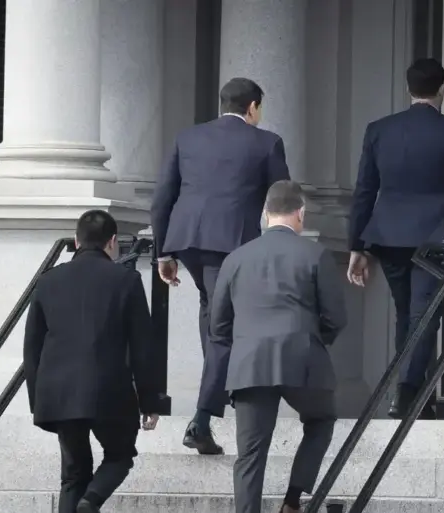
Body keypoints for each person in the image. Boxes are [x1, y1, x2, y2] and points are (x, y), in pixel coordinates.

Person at [150, 77, 290, 454]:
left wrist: (163, 252)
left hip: (188, 242)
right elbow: (282, 200)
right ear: (254, 107)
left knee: (213, 313)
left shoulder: (188, 137)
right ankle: (202, 416)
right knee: (224, 326)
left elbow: (162, 197)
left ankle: (218, 388)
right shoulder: (267, 142)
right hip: (231, 243)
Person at [346, 57, 444, 420]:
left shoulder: (379, 130)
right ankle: (407, 394)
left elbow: (364, 191)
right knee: (423, 315)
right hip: (436, 238)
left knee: (407, 315)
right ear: (442, 88)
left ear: (409, 90)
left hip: (388, 237)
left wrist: (357, 246)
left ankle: (411, 393)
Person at [202, 180, 347, 513]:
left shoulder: (235, 259)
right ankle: (293, 500)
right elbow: (336, 317)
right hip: (302, 358)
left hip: (250, 364)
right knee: (321, 419)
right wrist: (313, 338)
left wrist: (244, 342)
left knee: (250, 455)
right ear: (301, 214)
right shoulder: (316, 255)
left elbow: (217, 325)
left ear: (265, 215)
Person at [23, 210, 165, 513]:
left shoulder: (48, 281)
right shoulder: (126, 280)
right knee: (120, 456)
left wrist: (38, 399)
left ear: (76, 241)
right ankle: (91, 501)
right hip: (109, 391)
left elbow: (32, 346)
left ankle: (83, 500)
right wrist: (150, 400)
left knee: (73, 475)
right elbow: (143, 346)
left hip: (59, 394)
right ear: (112, 242)